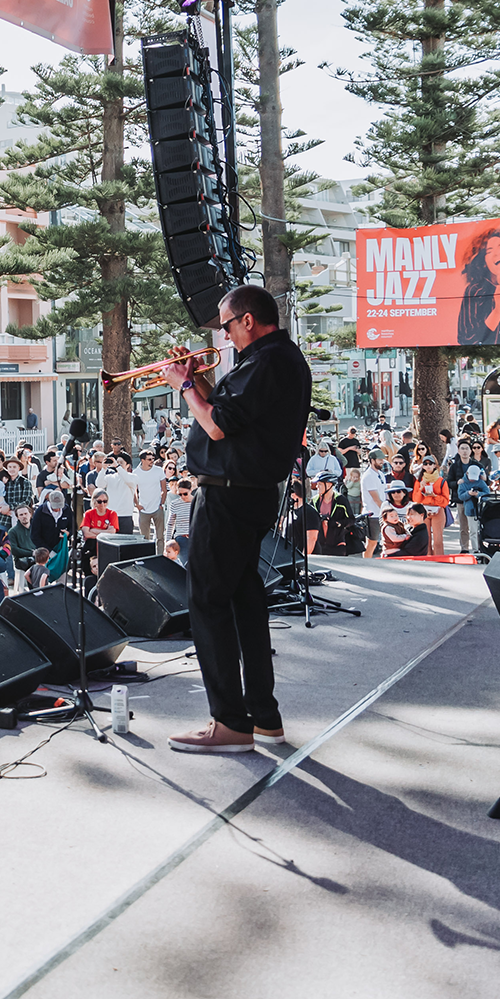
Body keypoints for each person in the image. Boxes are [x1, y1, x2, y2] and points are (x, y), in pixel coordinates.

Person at [164, 285, 311, 753]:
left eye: (226, 325)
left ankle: (229, 722)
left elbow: (216, 426)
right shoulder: (270, 360)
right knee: (245, 600)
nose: (223, 336)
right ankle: (263, 717)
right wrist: (197, 381)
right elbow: (228, 414)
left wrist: (184, 386)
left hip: (230, 496)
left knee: (206, 601)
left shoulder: (269, 360)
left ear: (248, 320)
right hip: (246, 493)